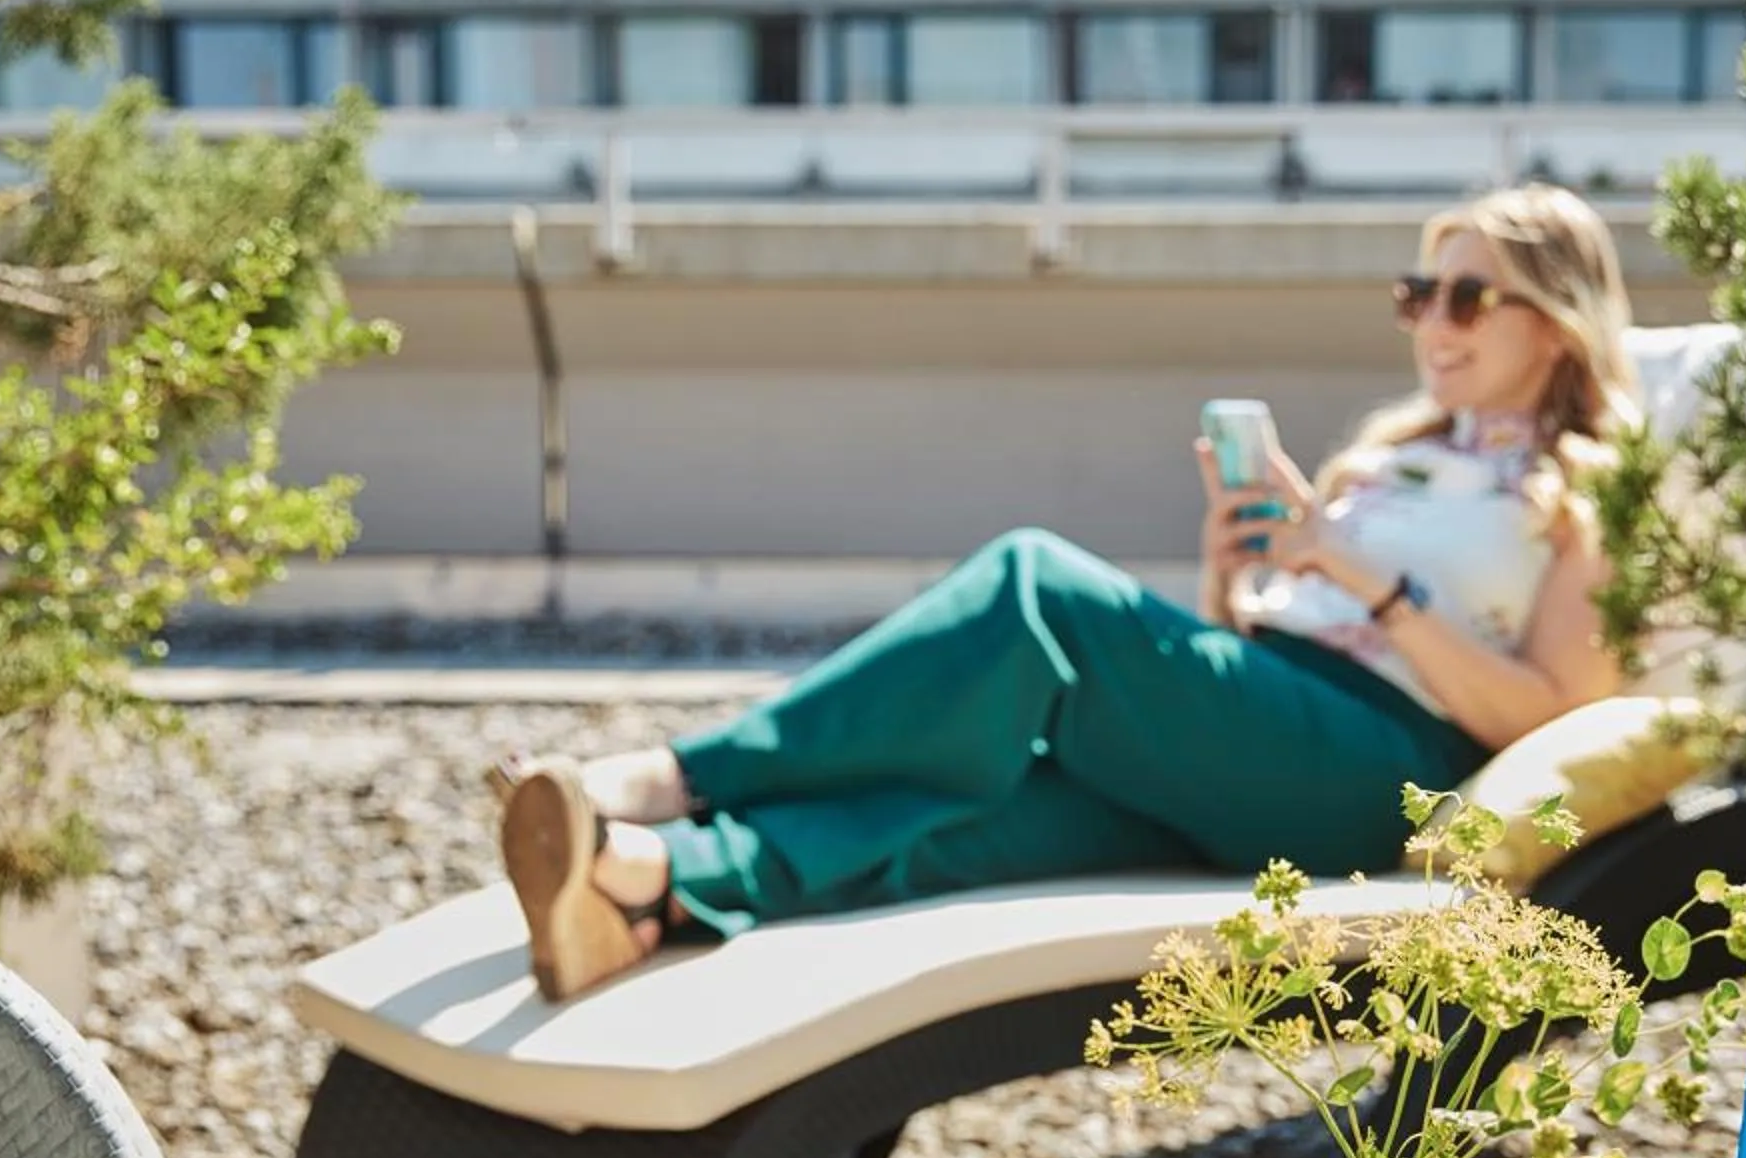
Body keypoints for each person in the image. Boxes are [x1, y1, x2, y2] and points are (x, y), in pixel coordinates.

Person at [495, 182, 1642, 1000]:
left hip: (1385, 765)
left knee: (1033, 585)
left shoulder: (1587, 499)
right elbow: (1234, 645)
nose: (1431, 322)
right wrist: (1230, 568)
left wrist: (1357, 572)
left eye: (1466, 298)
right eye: (1418, 294)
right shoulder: (1382, 456)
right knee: (1000, 804)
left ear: (1553, 319)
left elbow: (1549, 714)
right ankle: (656, 885)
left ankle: (681, 778)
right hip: (1270, 725)